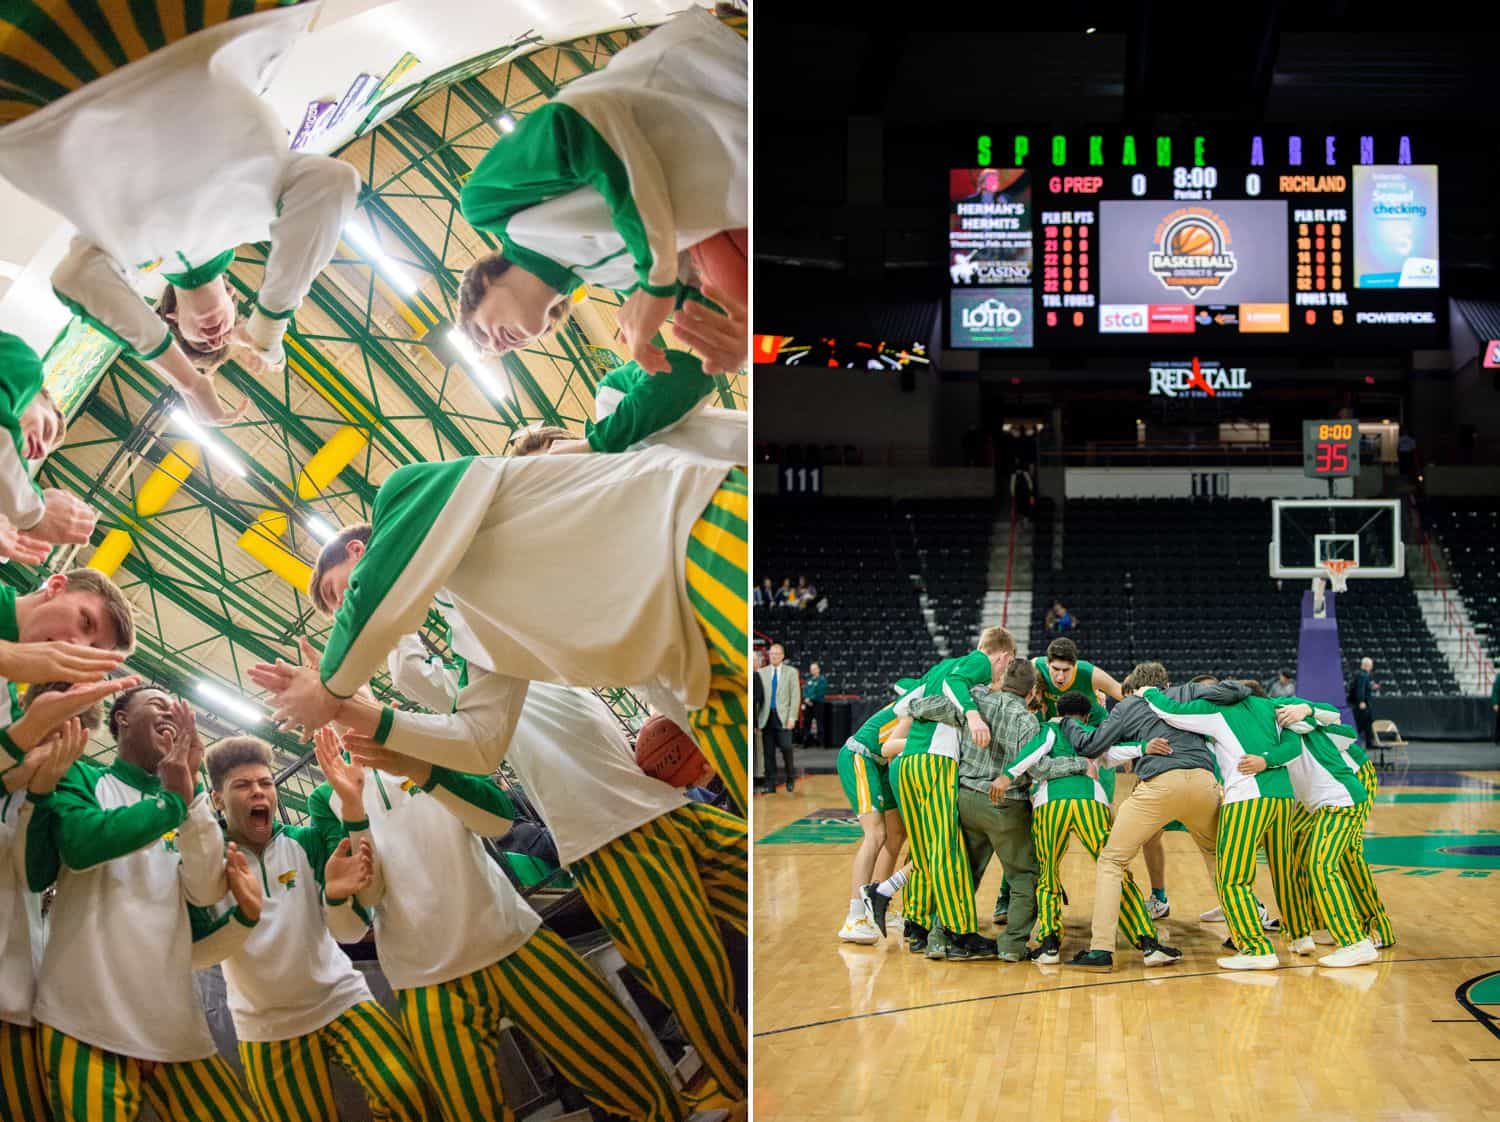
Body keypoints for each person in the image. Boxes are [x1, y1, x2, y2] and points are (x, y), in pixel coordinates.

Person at [248, 445, 750, 815]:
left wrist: (327, 687)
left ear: (358, 552)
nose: (344, 616)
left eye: (339, 595)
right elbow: (481, 744)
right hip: (696, 681)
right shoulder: (471, 626)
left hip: (704, 550)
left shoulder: (405, 493)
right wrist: (355, 711)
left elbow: (377, 597)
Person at [360, 635, 748, 1108]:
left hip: (673, 810)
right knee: (703, 995)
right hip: (612, 845)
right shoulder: (489, 687)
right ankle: (749, 1091)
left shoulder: (565, 656)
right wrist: (398, 618)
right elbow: (412, 676)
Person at [307, 729, 703, 1122]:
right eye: (332, 703)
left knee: (620, 1059)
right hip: (424, 978)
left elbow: (496, 820)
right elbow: (357, 918)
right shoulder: (325, 798)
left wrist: (418, 764)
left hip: (512, 938)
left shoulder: (432, 740)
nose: (344, 709)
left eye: (351, 690)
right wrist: (354, 813)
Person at [0, 2, 363, 422]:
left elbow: (73, 279)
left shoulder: (126, 261)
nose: (214, 337)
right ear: (233, 298)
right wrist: (268, 327)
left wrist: (189, 381)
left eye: (199, 343)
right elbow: (333, 184)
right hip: (191, 26)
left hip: (40, 85)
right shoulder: (264, 218)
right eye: (225, 335)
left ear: (171, 319)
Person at [456, 7, 746, 375]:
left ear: (483, 283)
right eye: (498, 351)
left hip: (728, 59)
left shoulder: (490, 207)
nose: (498, 345)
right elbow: (723, 309)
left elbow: (583, 120)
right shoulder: (620, 281)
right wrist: (744, 342)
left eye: (482, 332)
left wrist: (657, 278)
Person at [26, 685, 266, 1121]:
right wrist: (170, 801)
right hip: (82, 1022)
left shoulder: (186, 806)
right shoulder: (83, 776)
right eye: (157, 704)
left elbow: (206, 889)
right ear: (121, 718)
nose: (171, 713)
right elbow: (79, 845)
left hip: (174, 1027)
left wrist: (190, 794)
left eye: (177, 709)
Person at [198, 735, 432, 1122]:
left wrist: (338, 898)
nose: (259, 792)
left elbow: (351, 933)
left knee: (405, 1092)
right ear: (217, 799)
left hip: (341, 1000)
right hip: (265, 1028)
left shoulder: (306, 843)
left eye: (266, 783)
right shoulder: (208, 866)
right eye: (242, 786)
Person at [1058, 661, 1230, 972]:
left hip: (1160, 786)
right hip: (1205, 783)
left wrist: (1067, 722)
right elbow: (1234, 692)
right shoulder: (1186, 693)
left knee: (1112, 861)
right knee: (1218, 856)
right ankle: (1242, 933)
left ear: (1135, 687)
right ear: (1166, 683)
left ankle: (1101, 950)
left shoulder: (1132, 705)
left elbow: (1091, 745)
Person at [1139, 680, 1305, 970]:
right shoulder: (1272, 707)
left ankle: (1255, 948)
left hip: (1247, 799)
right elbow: (1294, 745)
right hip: (1282, 797)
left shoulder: (1218, 710)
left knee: (1230, 877)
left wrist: (1147, 692)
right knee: (1284, 870)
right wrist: (1268, 760)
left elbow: (1172, 712)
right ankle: (1301, 935)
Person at [993, 692, 1162, 966]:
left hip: (1052, 804)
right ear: (1085, 716)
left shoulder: (1050, 727)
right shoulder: (1091, 733)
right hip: (1090, 802)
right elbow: (1114, 754)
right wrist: (1144, 748)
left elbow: (1033, 751)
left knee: (1047, 872)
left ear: (1058, 712)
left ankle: (1048, 945)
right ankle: (1148, 942)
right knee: (1114, 868)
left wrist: (1008, 774)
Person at [889, 627, 1018, 962]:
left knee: (922, 850)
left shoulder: (940, 667)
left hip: (907, 765)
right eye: (1006, 665)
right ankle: (961, 933)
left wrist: (928, 708)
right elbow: (955, 685)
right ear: (1002, 656)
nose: (1002, 672)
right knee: (946, 848)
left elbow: (902, 703)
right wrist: (972, 715)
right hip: (934, 762)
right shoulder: (977, 661)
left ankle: (915, 925)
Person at [907, 659, 1042, 962]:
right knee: (1023, 877)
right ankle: (1012, 945)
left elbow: (924, 706)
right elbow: (1036, 770)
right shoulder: (1028, 721)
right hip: (1006, 806)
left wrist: (915, 708)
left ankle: (939, 939)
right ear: (1031, 692)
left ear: (1003, 680)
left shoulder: (978, 700)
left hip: (965, 798)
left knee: (961, 872)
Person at [1272, 701, 1380, 967]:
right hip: (1325, 803)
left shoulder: (1284, 718)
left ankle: (1357, 941)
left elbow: (1335, 719)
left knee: (1323, 865)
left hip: (1340, 799)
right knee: (1314, 860)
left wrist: (1306, 708)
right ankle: (1327, 929)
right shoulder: (1265, 732)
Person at [835, 679, 917, 945]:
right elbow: (890, 746)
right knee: (876, 835)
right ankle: (854, 916)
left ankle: (878, 904)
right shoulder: (919, 704)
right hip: (861, 755)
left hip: (882, 764)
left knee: (897, 835)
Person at [2, 331, 96, 548]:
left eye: (26, 457)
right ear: (40, 395)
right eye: (46, 430)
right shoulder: (24, 365)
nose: (40, 452)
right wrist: (34, 512)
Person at [757, 644, 800, 793]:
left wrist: (792, 717)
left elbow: (795, 696)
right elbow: (758, 697)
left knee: (786, 748)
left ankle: (790, 777)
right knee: (768, 753)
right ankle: (770, 783)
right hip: (766, 717)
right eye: (772, 654)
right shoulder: (761, 673)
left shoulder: (791, 672)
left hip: (783, 717)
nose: (774, 656)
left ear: (782, 656)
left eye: (777, 654)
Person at [1350, 657, 1376, 756]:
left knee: (1368, 723)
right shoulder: (1362, 675)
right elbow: (1360, 689)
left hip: (1364, 704)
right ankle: (1355, 743)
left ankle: (1369, 742)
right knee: (1361, 724)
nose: (1372, 667)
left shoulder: (1364, 675)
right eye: (1371, 665)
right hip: (1362, 705)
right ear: (1367, 665)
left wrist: (1371, 687)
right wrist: (1361, 701)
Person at [801, 661, 828, 746]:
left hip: (818, 703)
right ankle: (806, 740)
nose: (813, 670)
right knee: (807, 722)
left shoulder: (822, 680)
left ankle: (821, 741)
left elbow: (820, 691)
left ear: (818, 669)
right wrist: (806, 699)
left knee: (819, 722)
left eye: (815, 668)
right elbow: (805, 690)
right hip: (808, 704)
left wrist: (811, 698)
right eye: (811, 669)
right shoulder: (809, 680)